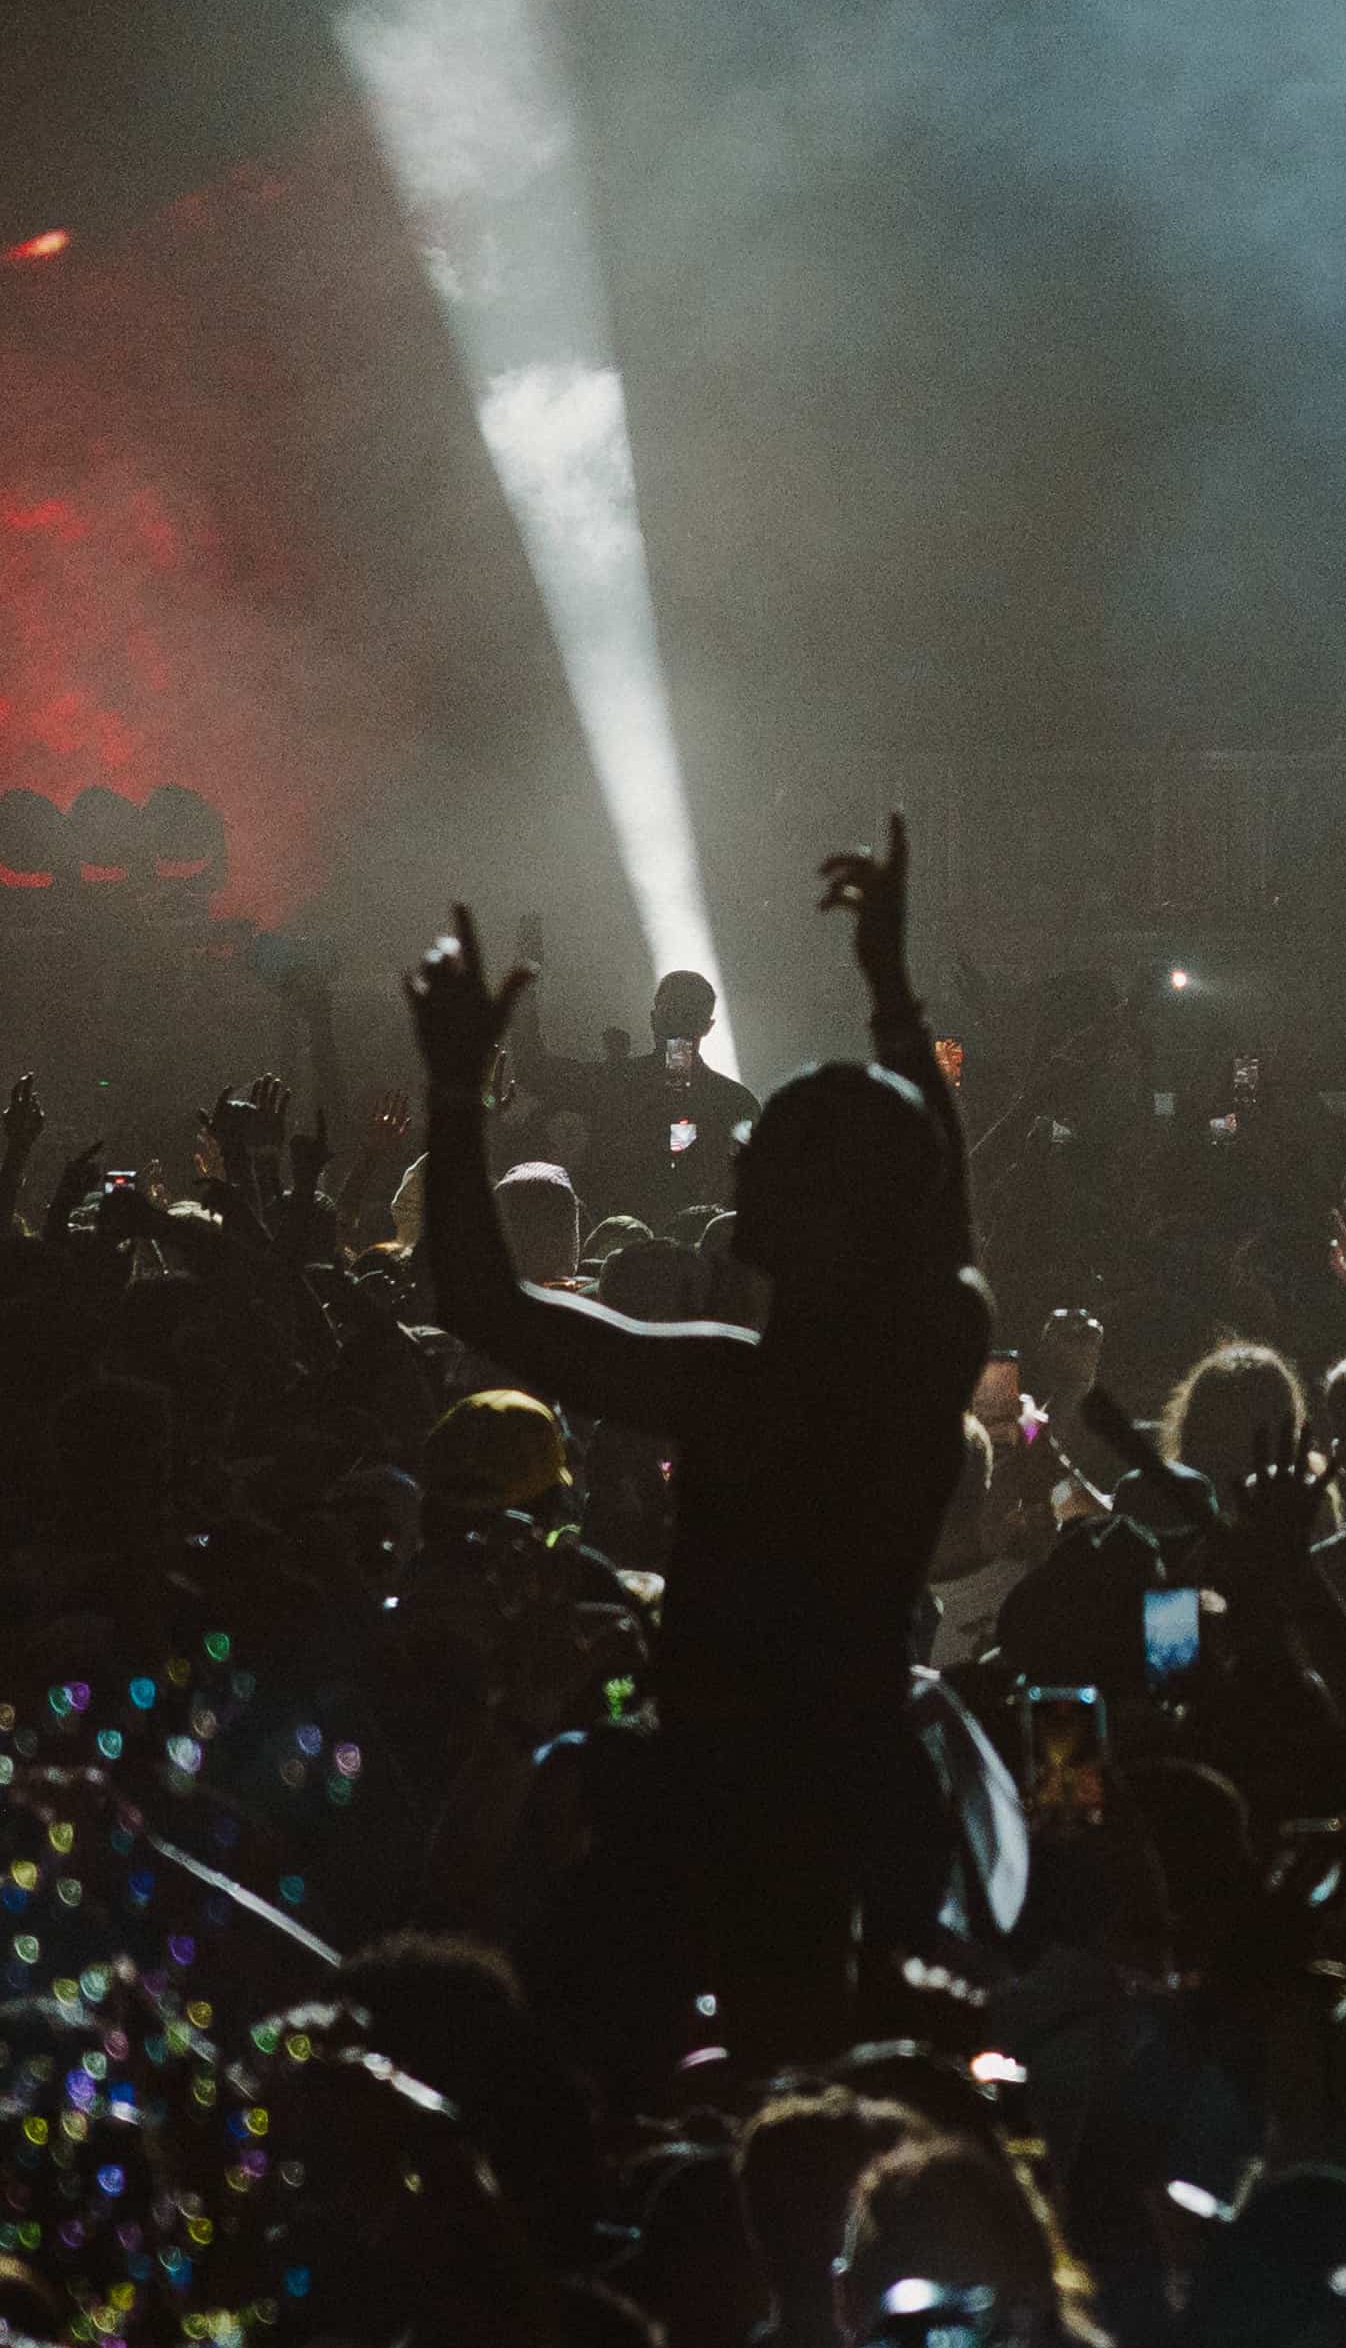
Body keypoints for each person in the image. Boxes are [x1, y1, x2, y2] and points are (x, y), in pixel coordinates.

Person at [407, 817, 995, 2067]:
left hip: (715, 1812)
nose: (736, 1177)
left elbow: (481, 1300)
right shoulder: (932, 1350)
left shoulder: (745, 1393)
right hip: (869, 1795)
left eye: (763, 1165)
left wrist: (454, 1091)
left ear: (815, 1211)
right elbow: (936, 1205)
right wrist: (890, 993)